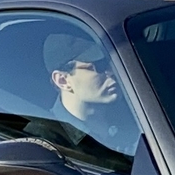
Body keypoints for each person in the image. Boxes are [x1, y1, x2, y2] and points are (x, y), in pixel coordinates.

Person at [44, 31, 139, 165]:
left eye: (111, 63)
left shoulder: (139, 113)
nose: (111, 72)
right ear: (63, 80)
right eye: (99, 66)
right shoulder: (47, 144)